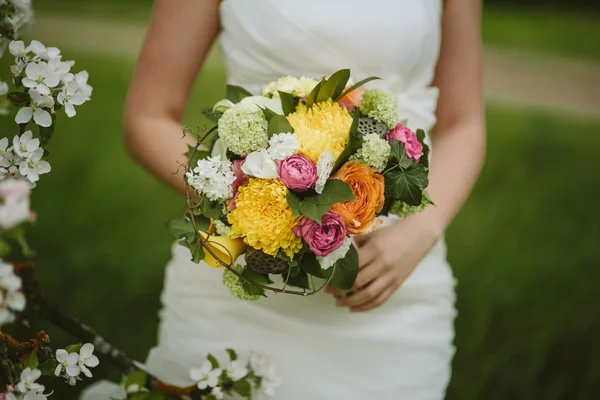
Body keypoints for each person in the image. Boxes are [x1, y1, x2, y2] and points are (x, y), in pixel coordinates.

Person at [83, 0, 485, 399]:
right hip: (242, 275)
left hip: (396, 289)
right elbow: (148, 118)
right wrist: (247, 201)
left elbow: (462, 122)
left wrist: (421, 231)